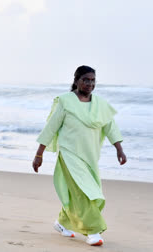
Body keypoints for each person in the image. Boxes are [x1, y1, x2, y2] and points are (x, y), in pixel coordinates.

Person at [32, 65, 127, 246]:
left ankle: (62, 222)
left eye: (93, 80)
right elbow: (51, 127)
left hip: (90, 157)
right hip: (69, 155)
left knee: (83, 192)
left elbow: (110, 127)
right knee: (84, 194)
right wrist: (39, 154)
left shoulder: (100, 104)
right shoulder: (65, 101)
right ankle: (94, 231)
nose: (90, 84)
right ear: (76, 81)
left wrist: (119, 149)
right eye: (86, 80)